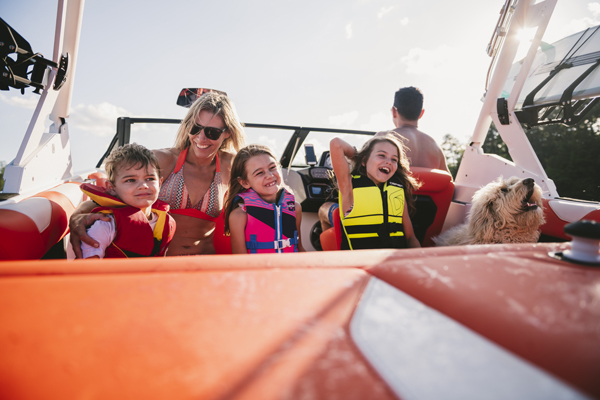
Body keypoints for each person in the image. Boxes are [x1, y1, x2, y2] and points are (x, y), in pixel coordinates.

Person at [70, 92, 246, 257]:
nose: (201, 138)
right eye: (195, 128)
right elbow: (108, 195)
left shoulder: (231, 166)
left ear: (228, 133)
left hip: (204, 263)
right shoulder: (163, 160)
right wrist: (77, 216)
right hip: (160, 263)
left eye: (212, 132)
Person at [79, 143, 176, 258]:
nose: (143, 186)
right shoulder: (106, 225)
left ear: (159, 184)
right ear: (111, 188)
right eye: (131, 180)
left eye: (150, 178)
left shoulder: (167, 223)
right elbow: (89, 266)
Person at [329, 135, 421, 250]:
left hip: (395, 259)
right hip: (360, 260)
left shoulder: (397, 192)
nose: (388, 162)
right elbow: (336, 143)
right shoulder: (349, 187)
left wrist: (419, 256)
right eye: (381, 155)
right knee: (327, 210)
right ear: (364, 160)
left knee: (326, 208)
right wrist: (360, 157)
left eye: (394, 159)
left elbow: (411, 237)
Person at [224, 144, 305, 254]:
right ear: (244, 182)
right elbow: (240, 260)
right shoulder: (238, 216)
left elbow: (300, 249)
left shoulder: (295, 208)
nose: (270, 175)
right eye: (259, 173)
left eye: (272, 167)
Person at [376, 86, 449, 172]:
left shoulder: (382, 138)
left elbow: (363, 169)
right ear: (421, 113)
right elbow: (448, 179)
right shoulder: (435, 147)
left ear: (394, 112)